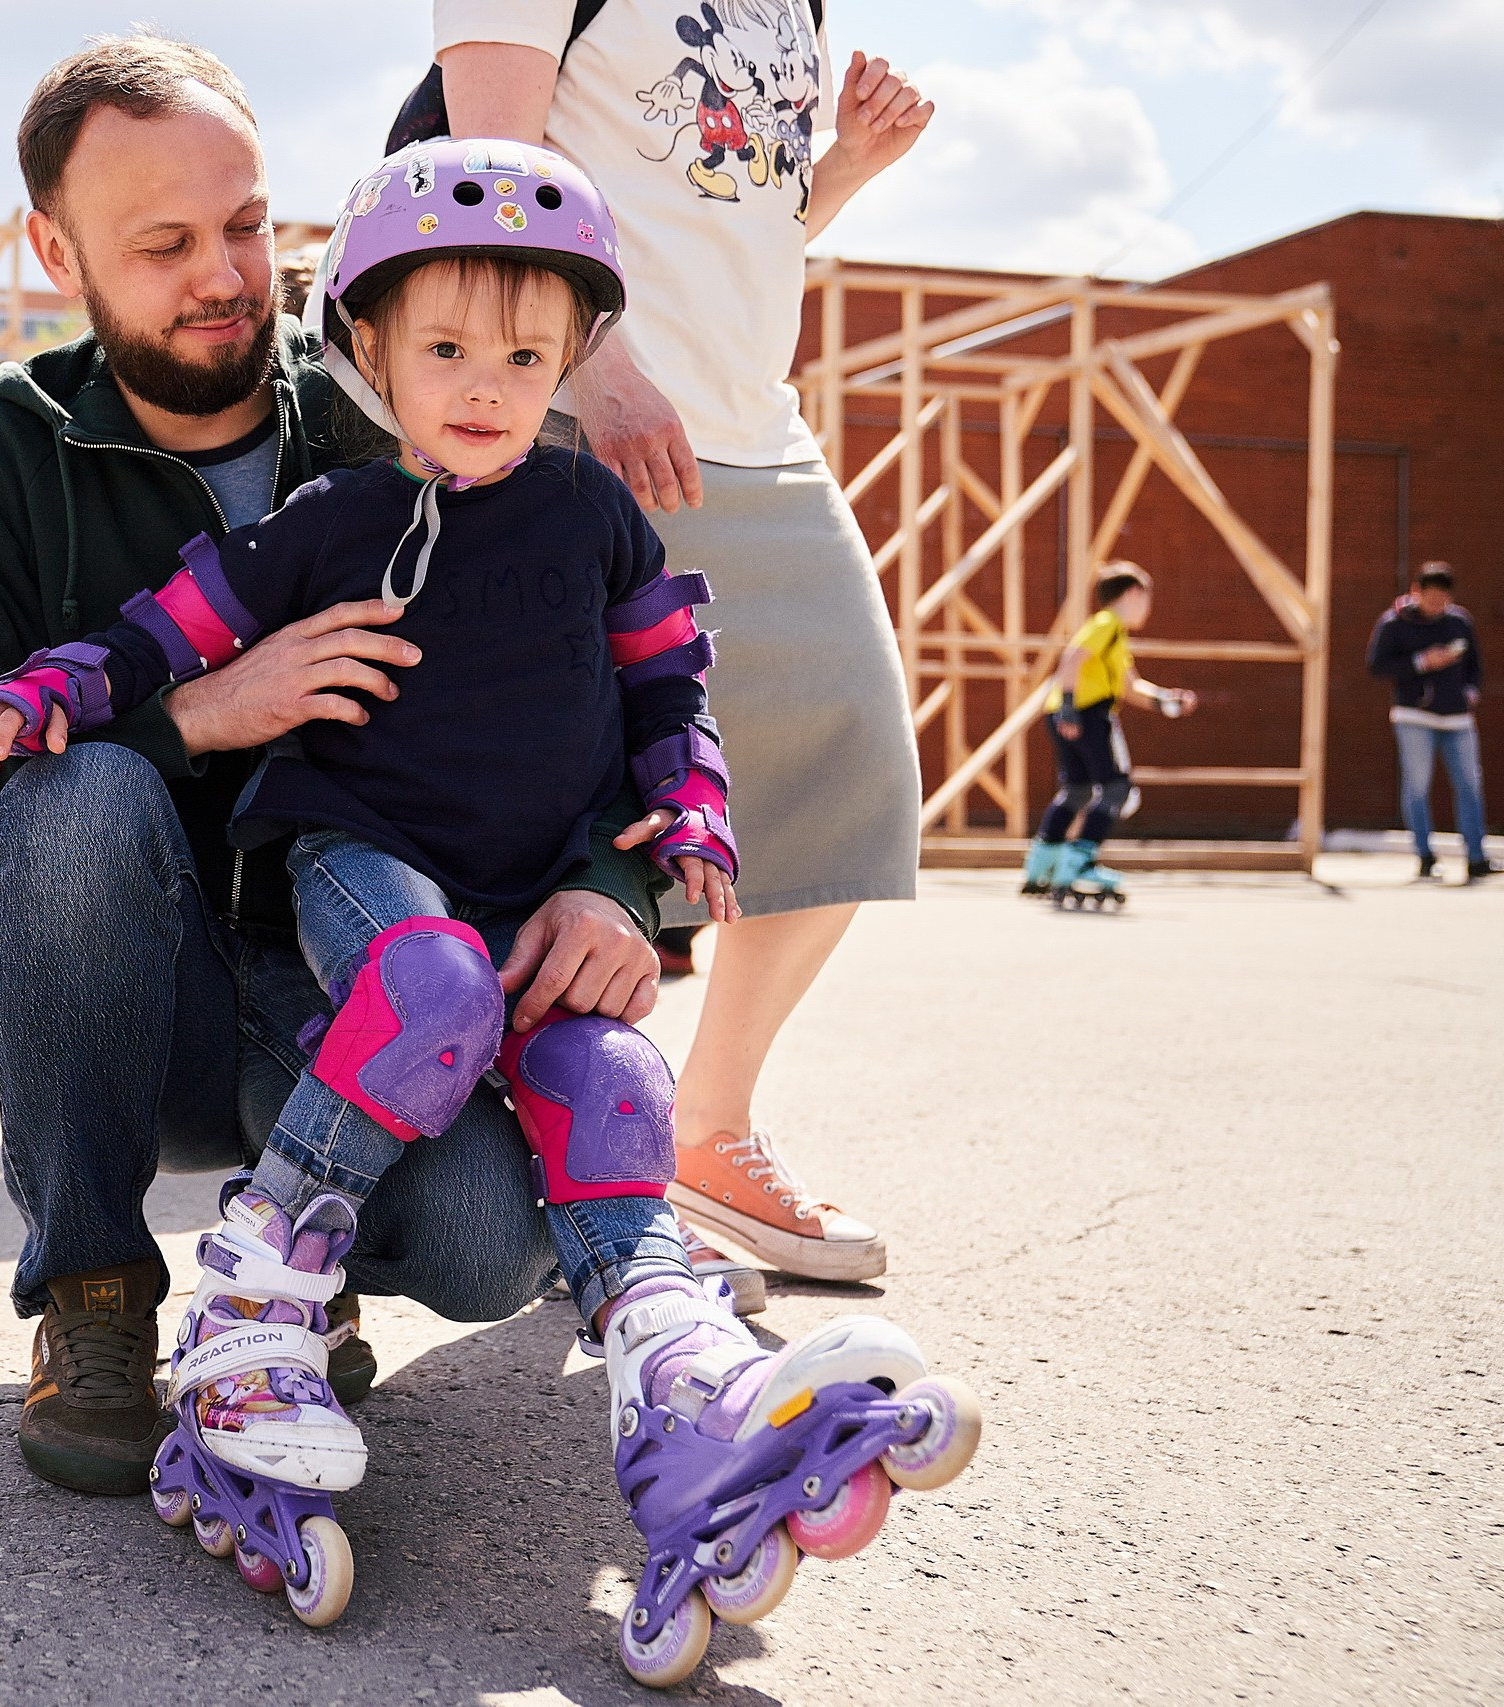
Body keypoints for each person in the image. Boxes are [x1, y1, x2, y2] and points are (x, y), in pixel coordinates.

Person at [0, 138, 979, 1665]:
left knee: (609, 1071)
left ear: (576, 356)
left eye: (525, 351)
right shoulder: (334, 522)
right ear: (368, 348)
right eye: (443, 348)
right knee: (426, 992)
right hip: (362, 861)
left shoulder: (597, 520)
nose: (485, 382)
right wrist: (61, 685)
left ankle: (675, 1378)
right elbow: (171, 625)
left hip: (532, 891)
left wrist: (684, 827)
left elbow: (669, 700)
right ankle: (253, 1299)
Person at [0, 35, 768, 1510]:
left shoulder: (409, 387)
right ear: (55, 246)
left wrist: (614, 889)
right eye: (164, 244)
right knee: (84, 791)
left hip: (382, 987)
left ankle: (304, 1270)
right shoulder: (13, 448)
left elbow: (592, 690)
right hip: (133, 998)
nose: (226, 273)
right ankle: (94, 1292)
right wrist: (197, 716)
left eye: (246, 225)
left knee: (489, 1246)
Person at [436, 0, 933, 1287]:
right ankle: (579, 1168)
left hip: (755, 429)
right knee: (558, 821)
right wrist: (591, 371)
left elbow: (731, 229)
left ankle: (701, 1127)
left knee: (853, 758)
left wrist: (839, 177)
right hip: (580, 415)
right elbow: (494, 181)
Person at [1018, 562, 1196, 906]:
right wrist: (1071, 706)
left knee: (1078, 790)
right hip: (1086, 713)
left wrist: (1167, 702)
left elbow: (1131, 688)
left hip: (1063, 713)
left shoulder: (1113, 634)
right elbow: (1071, 659)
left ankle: (1042, 867)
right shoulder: (1107, 624)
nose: (1148, 608)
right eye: (1147, 599)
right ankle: (1080, 863)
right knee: (1116, 788)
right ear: (1133, 594)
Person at [1367, 562, 1504, 884]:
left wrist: (1471, 690)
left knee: (1470, 786)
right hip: (1414, 716)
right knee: (1417, 787)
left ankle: (1476, 858)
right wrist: (1421, 662)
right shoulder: (1395, 623)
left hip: (1457, 718)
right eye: (1430, 598)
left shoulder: (1459, 621)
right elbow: (1376, 666)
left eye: (1442, 600)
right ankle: (1425, 856)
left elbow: (1475, 664)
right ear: (1416, 592)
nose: (1437, 606)